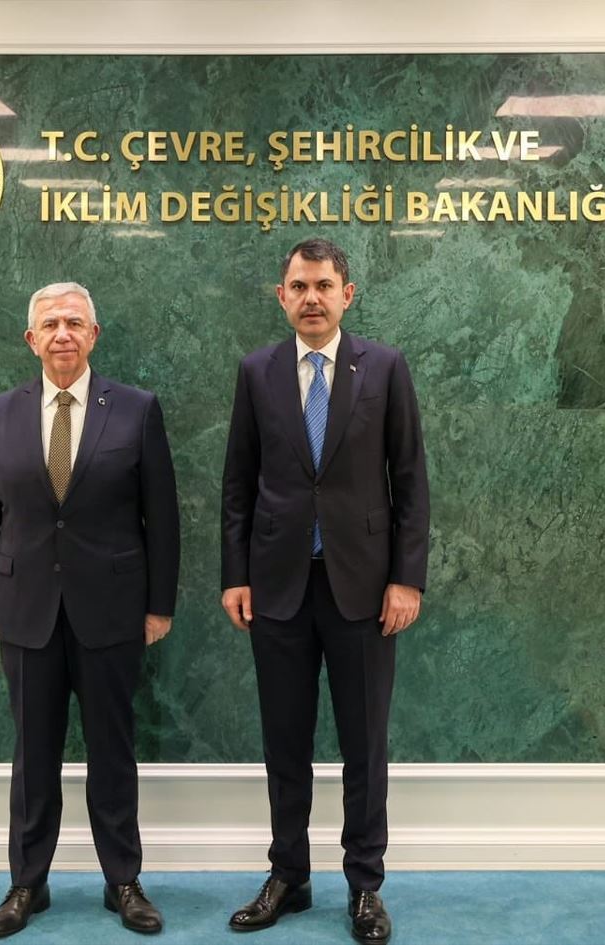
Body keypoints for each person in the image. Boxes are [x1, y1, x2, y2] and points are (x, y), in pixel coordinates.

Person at [220, 239, 429, 945]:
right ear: (282, 295)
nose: (312, 297)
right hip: (277, 588)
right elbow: (238, 483)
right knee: (285, 742)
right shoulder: (257, 371)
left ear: (348, 294)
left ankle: (364, 885)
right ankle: (289, 875)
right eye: (299, 286)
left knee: (365, 745)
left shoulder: (385, 368)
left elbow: (410, 479)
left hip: (364, 590)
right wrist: (236, 574)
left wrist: (406, 577)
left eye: (324, 285)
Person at [0, 282, 179, 938]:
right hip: (24, 610)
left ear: (94, 335)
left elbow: (163, 517)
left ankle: (124, 882)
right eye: (51, 323)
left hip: (112, 611)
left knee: (113, 751)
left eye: (75, 322)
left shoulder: (137, 410)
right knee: (33, 756)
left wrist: (159, 605)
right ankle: (27, 883)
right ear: (31, 339)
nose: (63, 333)